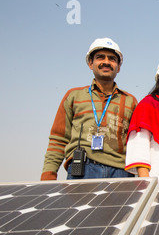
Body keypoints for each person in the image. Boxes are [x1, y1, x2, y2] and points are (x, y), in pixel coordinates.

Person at [41, 38, 138, 180]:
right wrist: (48, 175)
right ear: (90, 63)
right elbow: (58, 139)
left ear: (118, 67)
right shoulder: (74, 96)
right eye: (100, 57)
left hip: (121, 172)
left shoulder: (130, 101)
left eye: (112, 59)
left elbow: (137, 143)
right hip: (82, 168)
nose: (106, 62)